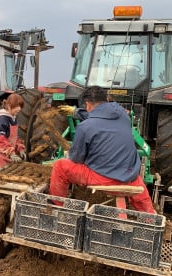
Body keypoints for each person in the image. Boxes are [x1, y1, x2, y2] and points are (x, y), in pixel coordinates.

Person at [49, 86, 156, 214]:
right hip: (131, 177)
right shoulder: (123, 114)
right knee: (140, 193)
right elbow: (100, 117)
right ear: (106, 99)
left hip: (105, 178)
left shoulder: (84, 127)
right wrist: (76, 112)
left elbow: (77, 158)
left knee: (60, 166)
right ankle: (150, 217)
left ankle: (56, 208)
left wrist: (71, 155)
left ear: (87, 104)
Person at [0, 94, 27, 169]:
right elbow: (0, 138)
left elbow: (14, 137)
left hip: (8, 154)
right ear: (9, 106)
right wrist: (11, 152)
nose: (19, 109)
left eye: (20, 106)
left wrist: (20, 148)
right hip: (0, 154)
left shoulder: (13, 118)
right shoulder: (2, 119)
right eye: (17, 106)